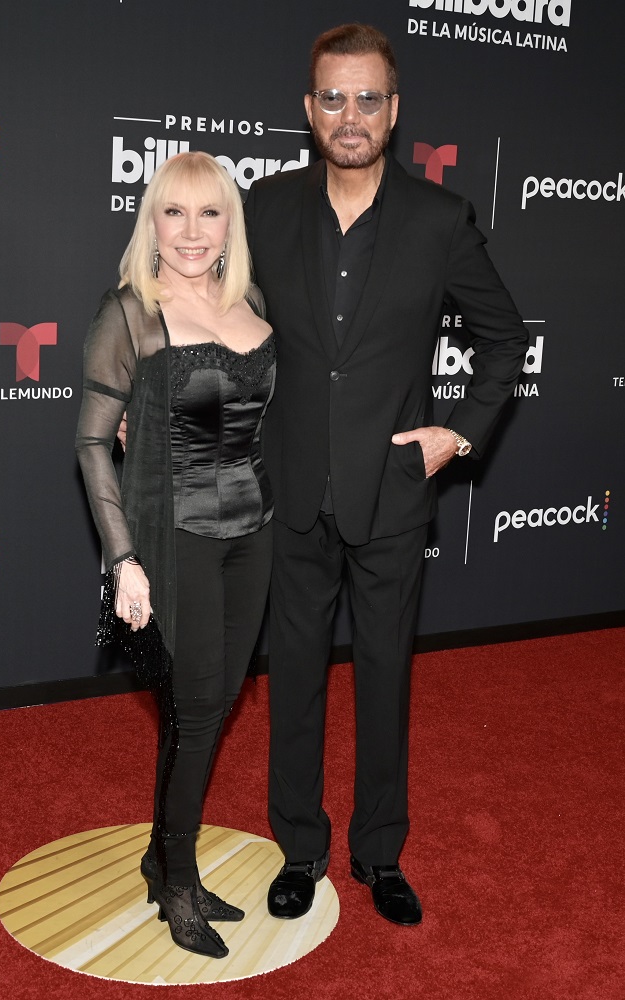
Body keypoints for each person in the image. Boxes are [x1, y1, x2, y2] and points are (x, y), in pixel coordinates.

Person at [244, 23, 529, 926]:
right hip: (289, 489)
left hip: (394, 495)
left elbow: (504, 340)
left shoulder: (438, 219)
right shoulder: (264, 209)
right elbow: (203, 313)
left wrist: (457, 436)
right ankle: (298, 848)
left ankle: (378, 853)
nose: (351, 115)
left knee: (383, 679)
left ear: (394, 110)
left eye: (369, 98)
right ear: (308, 109)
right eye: (334, 97)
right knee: (292, 679)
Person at [76, 151, 275, 959]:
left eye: (210, 213)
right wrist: (123, 560)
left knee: (215, 704)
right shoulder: (131, 311)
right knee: (194, 714)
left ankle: (161, 855)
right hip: (174, 537)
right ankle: (179, 882)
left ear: (230, 224)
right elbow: (93, 443)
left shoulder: (249, 299)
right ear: (150, 222)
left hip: (253, 535)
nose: (192, 232)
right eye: (174, 212)